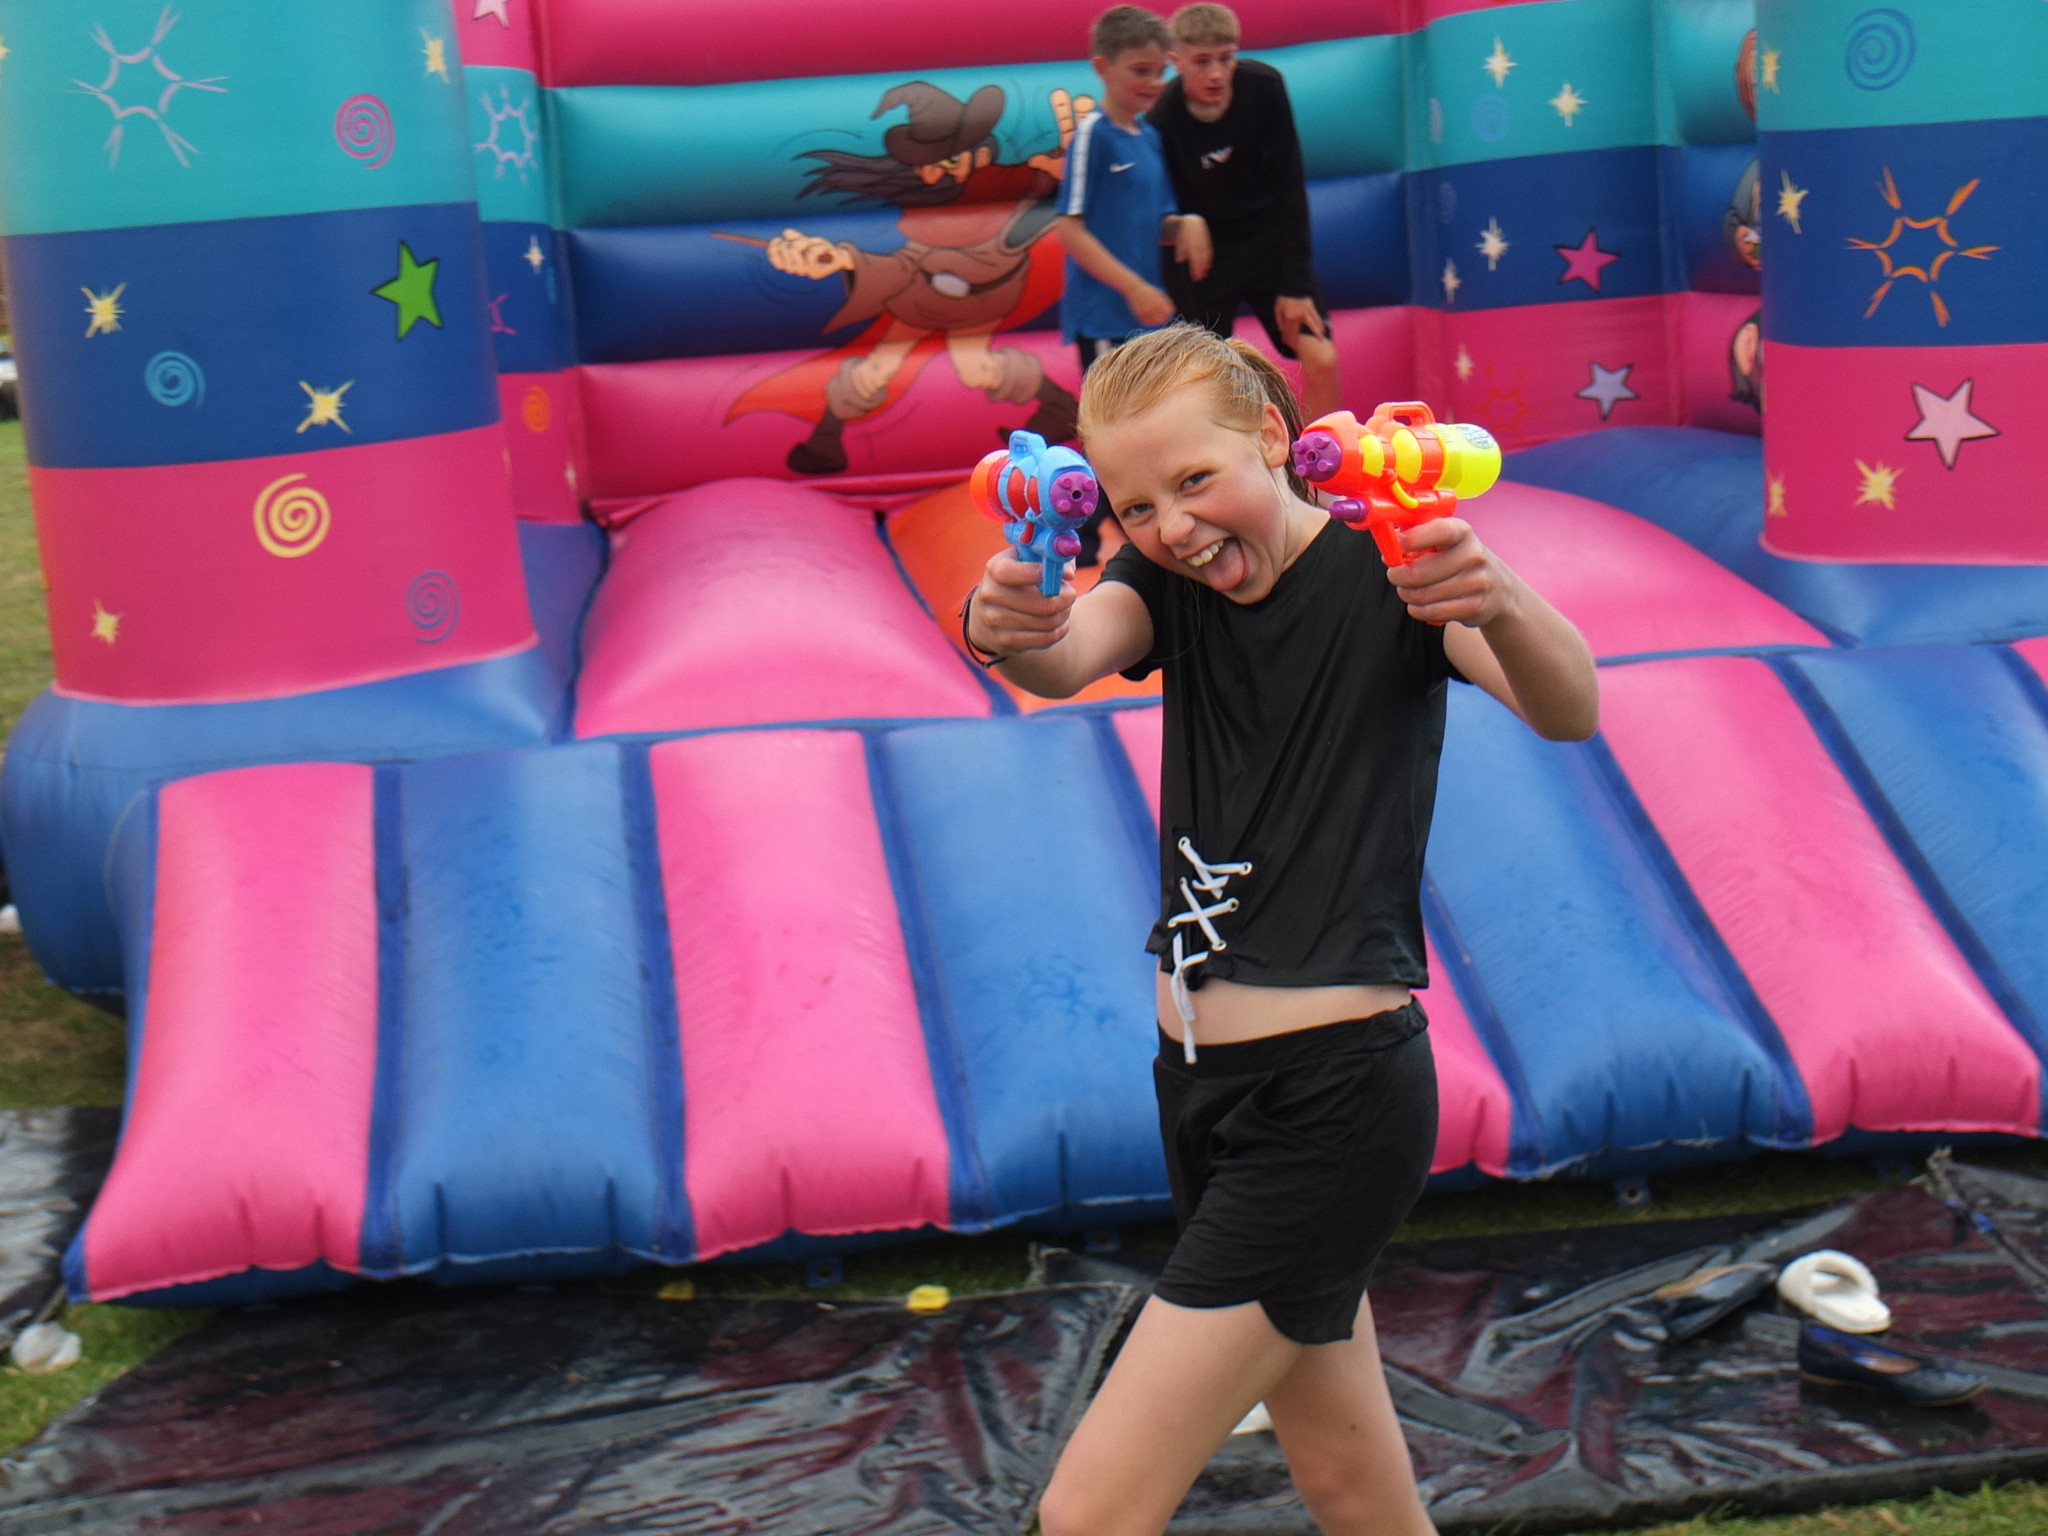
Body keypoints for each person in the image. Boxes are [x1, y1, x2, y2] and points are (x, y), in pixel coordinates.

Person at [961, 325, 1598, 1536]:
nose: (1173, 526)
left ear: (1268, 434)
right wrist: (1007, 621)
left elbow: (1567, 706)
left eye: (1195, 481)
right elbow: (1064, 655)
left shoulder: (1389, 566)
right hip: (1201, 1089)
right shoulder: (1169, 584)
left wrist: (1499, 595)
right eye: (1137, 506)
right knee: (1352, 1489)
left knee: (1089, 1512)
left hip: (1328, 1106)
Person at [1058, 6, 1210, 563]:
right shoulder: (1093, 137)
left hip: (1145, 316)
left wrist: (1186, 224)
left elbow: (1156, 221)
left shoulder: (1148, 137)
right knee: (1108, 429)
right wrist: (1132, 287)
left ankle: (1151, 527)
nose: (1152, 83)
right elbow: (1069, 230)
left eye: (1158, 71)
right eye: (1139, 71)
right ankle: (1081, 538)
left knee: (1151, 424)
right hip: (1105, 315)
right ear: (1103, 68)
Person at [1149, 4, 1342, 420]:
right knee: (1203, 379)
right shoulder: (1161, 120)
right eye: (1202, 62)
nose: (1217, 74)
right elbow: (1160, 214)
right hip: (1206, 262)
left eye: (1226, 58)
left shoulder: (1264, 88)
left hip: (1268, 247)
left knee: (1321, 357)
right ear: (1176, 61)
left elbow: (1289, 187)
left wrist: (1295, 284)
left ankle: (1324, 455)